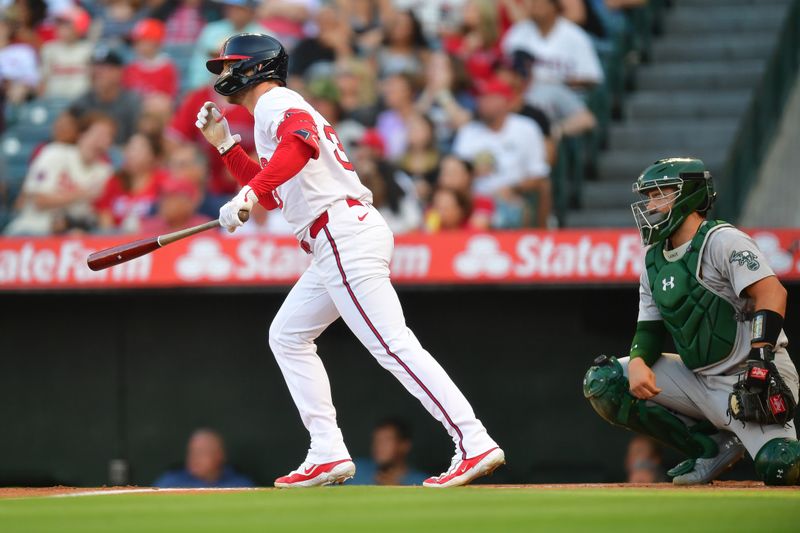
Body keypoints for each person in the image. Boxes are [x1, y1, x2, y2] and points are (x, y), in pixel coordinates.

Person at [195, 33, 504, 488]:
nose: (223, 74)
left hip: (341, 234)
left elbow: (299, 147)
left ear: (254, 67)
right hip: (335, 237)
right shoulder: (268, 114)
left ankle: (473, 440)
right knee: (288, 335)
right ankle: (327, 450)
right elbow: (279, 192)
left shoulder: (277, 100)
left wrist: (249, 194)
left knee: (393, 345)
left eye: (229, 65)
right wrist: (227, 150)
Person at [583, 157, 800, 486]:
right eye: (649, 197)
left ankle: (752, 439)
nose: (651, 204)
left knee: (781, 466)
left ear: (690, 194)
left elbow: (772, 294)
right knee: (605, 380)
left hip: (753, 374)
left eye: (661, 194)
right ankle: (708, 448)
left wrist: (760, 355)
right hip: (699, 381)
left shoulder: (723, 240)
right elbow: (649, 328)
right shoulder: (654, 259)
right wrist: (640, 359)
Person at [452, 76, 550, 227]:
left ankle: (542, 234)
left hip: (514, 196)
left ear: (506, 101)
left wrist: (512, 188)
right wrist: (473, 175)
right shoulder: (469, 131)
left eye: (489, 98)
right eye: (481, 98)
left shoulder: (526, 128)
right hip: (474, 200)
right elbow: (455, 172)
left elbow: (539, 175)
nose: (484, 103)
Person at [5, 113, 115, 236]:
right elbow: (39, 200)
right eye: (99, 134)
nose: (103, 140)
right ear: (82, 134)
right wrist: (81, 194)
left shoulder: (105, 171)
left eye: (108, 136)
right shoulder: (54, 153)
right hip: (34, 229)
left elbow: (103, 214)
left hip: (74, 233)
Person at [72, 45, 142, 145]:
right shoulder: (81, 102)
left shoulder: (132, 102)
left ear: (119, 72)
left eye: (104, 68)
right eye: (94, 66)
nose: (97, 72)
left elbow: (138, 140)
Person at [154, 428, 255, 488]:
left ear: (219, 455)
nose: (194, 457)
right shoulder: (170, 482)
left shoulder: (240, 484)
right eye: (191, 452)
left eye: (201, 452)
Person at [350, 417, 428, 486]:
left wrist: (397, 490)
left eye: (387, 440)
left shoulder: (423, 483)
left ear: (404, 445)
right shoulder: (354, 470)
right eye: (376, 440)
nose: (379, 446)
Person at [38, 5, 92, 100]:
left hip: (81, 102)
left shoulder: (89, 49)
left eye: (67, 26)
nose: (62, 30)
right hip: (53, 101)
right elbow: (43, 80)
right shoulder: (49, 49)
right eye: (60, 26)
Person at [122, 18, 179, 101]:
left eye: (143, 42)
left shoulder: (167, 68)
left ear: (156, 43)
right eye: (136, 42)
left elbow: (170, 96)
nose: (138, 46)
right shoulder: (131, 67)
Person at [139, 178, 211, 234]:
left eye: (171, 198)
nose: (165, 203)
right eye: (163, 197)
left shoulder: (203, 227)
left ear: (188, 203)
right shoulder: (149, 227)